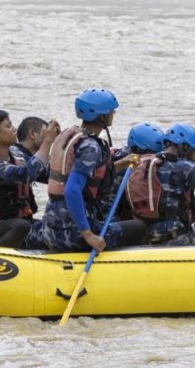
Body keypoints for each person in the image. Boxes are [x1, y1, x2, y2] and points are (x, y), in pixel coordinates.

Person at [25, 89, 148, 252]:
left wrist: (121, 164)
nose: (114, 114)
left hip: (51, 228)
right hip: (74, 234)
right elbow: (72, 190)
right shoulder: (91, 147)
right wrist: (88, 234)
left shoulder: (70, 137)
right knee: (139, 227)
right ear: (102, 116)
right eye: (112, 111)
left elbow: (88, 174)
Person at [0, 111, 60, 247]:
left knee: (57, 227)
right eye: (8, 126)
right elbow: (25, 174)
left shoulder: (16, 155)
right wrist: (47, 141)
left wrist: (61, 144)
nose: (14, 128)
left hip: (22, 223)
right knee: (20, 226)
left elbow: (49, 174)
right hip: (6, 226)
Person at [101, 122, 165, 221]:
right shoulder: (123, 168)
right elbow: (108, 208)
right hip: (110, 220)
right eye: (149, 154)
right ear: (137, 149)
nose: (151, 159)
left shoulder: (147, 163)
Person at [9, 116, 51, 219]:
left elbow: (52, 175)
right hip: (12, 223)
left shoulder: (28, 157)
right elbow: (29, 173)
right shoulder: (15, 153)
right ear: (32, 134)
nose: (50, 139)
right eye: (46, 135)